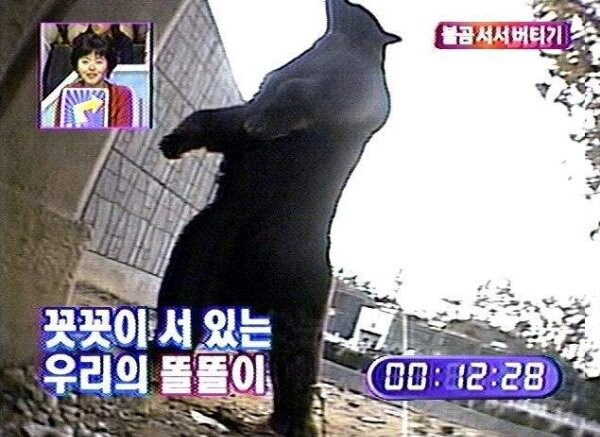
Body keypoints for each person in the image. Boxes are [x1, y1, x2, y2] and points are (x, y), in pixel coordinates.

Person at [56, 32, 133, 127]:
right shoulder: (68, 92)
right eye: (85, 62)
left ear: (108, 65)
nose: (91, 67)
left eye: (98, 62)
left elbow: (123, 132)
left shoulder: (121, 94)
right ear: (77, 65)